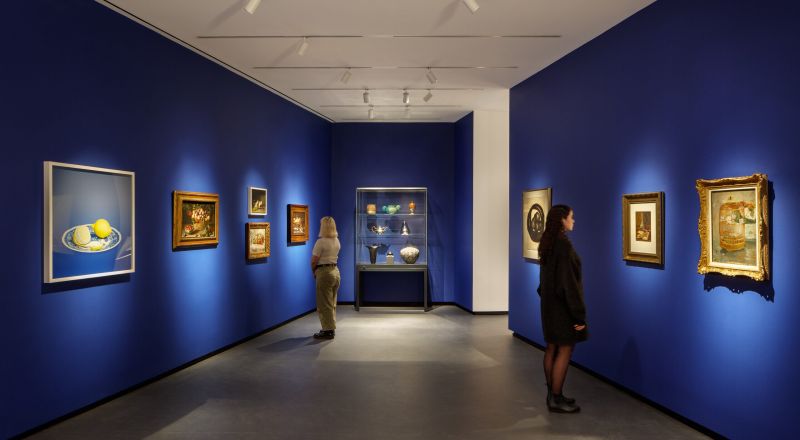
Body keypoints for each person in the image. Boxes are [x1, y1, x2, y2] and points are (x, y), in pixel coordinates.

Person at [537, 204, 587, 413]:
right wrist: (579, 316)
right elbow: (569, 285)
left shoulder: (547, 243)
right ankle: (556, 398)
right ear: (562, 220)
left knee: (551, 348)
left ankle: (552, 394)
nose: (573, 221)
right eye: (571, 217)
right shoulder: (563, 246)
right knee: (565, 349)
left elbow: (544, 282)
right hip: (562, 308)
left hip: (548, 306)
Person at [310, 216, 341, 339]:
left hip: (324, 271)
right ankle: (331, 327)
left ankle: (328, 330)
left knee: (324, 303)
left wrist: (314, 271)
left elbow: (314, 260)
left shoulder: (321, 242)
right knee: (332, 301)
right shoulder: (336, 241)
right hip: (335, 271)